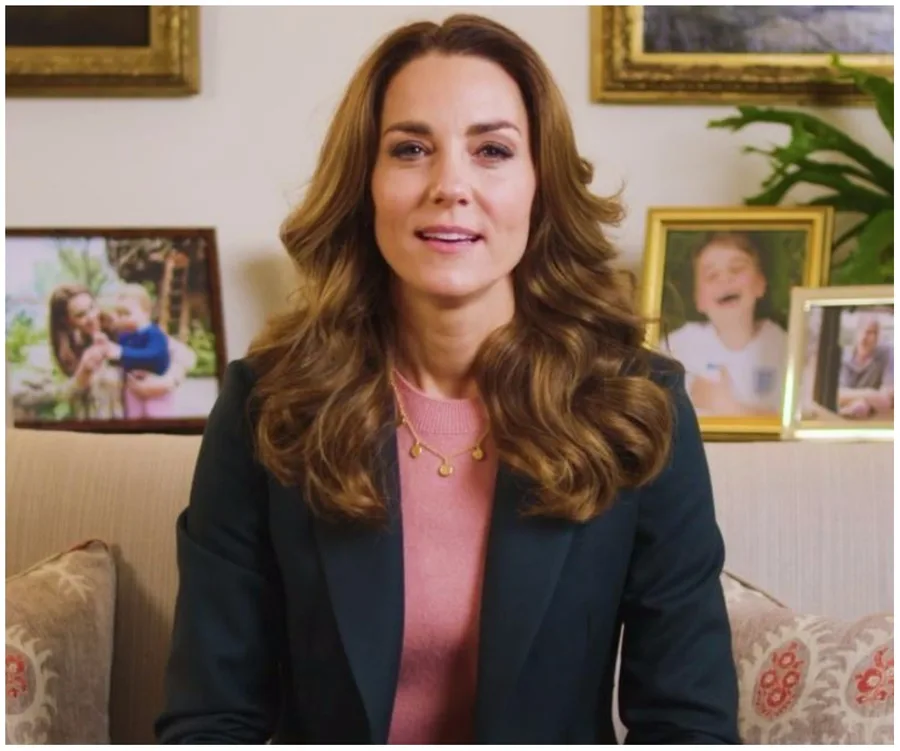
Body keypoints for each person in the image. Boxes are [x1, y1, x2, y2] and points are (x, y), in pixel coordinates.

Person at [156, 14, 739, 745]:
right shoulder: (267, 407)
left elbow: (689, 722)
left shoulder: (638, 406)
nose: (450, 186)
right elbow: (211, 719)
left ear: (540, 185)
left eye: (492, 149)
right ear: (364, 184)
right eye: (410, 149)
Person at [662, 232, 787, 416]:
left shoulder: (784, 346)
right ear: (699, 300)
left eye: (736, 269)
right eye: (712, 275)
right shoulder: (677, 347)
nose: (725, 279)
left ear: (760, 284)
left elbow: (797, 420)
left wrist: (730, 408)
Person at [48, 283, 193, 420]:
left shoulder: (119, 326)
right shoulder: (68, 351)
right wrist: (83, 373)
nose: (92, 317)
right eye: (81, 315)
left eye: (92, 307)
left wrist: (168, 382)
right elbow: (63, 394)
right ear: (67, 321)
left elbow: (185, 354)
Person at [97, 283, 174, 418]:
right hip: (132, 390)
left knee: (157, 420)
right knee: (134, 419)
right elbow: (117, 358)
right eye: (119, 314)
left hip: (156, 389)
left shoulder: (154, 334)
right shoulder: (124, 336)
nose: (122, 318)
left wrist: (121, 353)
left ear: (145, 311)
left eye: (126, 313)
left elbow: (156, 355)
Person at [837, 312, 894, 419]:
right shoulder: (844, 357)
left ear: (877, 336)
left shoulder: (887, 353)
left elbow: (886, 400)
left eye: (869, 332)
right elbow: (836, 395)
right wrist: (868, 395)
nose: (864, 337)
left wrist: (862, 404)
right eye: (861, 331)